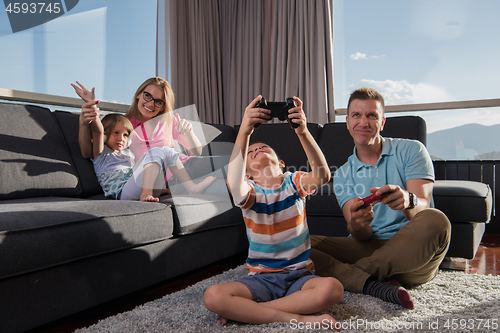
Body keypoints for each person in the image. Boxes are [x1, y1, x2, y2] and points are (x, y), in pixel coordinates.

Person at [203, 96, 343, 329]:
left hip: (300, 276)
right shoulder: (248, 192)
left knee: (332, 289)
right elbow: (233, 182)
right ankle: (296, 317)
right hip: (261, 278)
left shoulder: (294, 182)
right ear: (246, 173)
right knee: (213, 296)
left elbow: (322, 176)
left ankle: (253, 312)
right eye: (252, 151)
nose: (257, 149)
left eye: (263, 147)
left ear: (280, 162)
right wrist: (245, 131)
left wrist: (302, 132)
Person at [310, 87, 451, 309]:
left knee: (437, 219)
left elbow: (422, 208)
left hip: (413, 254)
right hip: (369, 247)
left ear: (382, 122)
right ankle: (374, 284)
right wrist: (358, 223)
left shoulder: (412, 150)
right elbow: (359, 234)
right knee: (296, 244)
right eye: (356, 115)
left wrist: (408, 201)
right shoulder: (343, 174)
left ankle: (355, 277)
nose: (363, 122)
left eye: (371, 115)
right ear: (347, 122)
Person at [72, 78, 226, 194]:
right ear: (139, 94)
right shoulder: (124, 127)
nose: (151, 104)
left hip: (185, 167)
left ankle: (247, 175)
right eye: (148, 96)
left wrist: (189, 131)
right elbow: (91, 149)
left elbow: (197, 152)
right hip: (161, 181)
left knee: (230, 167)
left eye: (159, 102)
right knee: (223, 185)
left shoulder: (168, 121)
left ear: (163, 107)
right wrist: (85, 120)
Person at [89, 113, 212, 201]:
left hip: (133, 186)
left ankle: (192, 188)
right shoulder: (102, 155)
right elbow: (98, 131)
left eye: (125, 135)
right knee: (154, 152)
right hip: (122, 193)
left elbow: (139, 173)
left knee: (166, 150)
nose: (121, 138)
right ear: (105, 135)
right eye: (116, 133)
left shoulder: (127, 154)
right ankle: (146, 194)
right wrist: (93, 111)